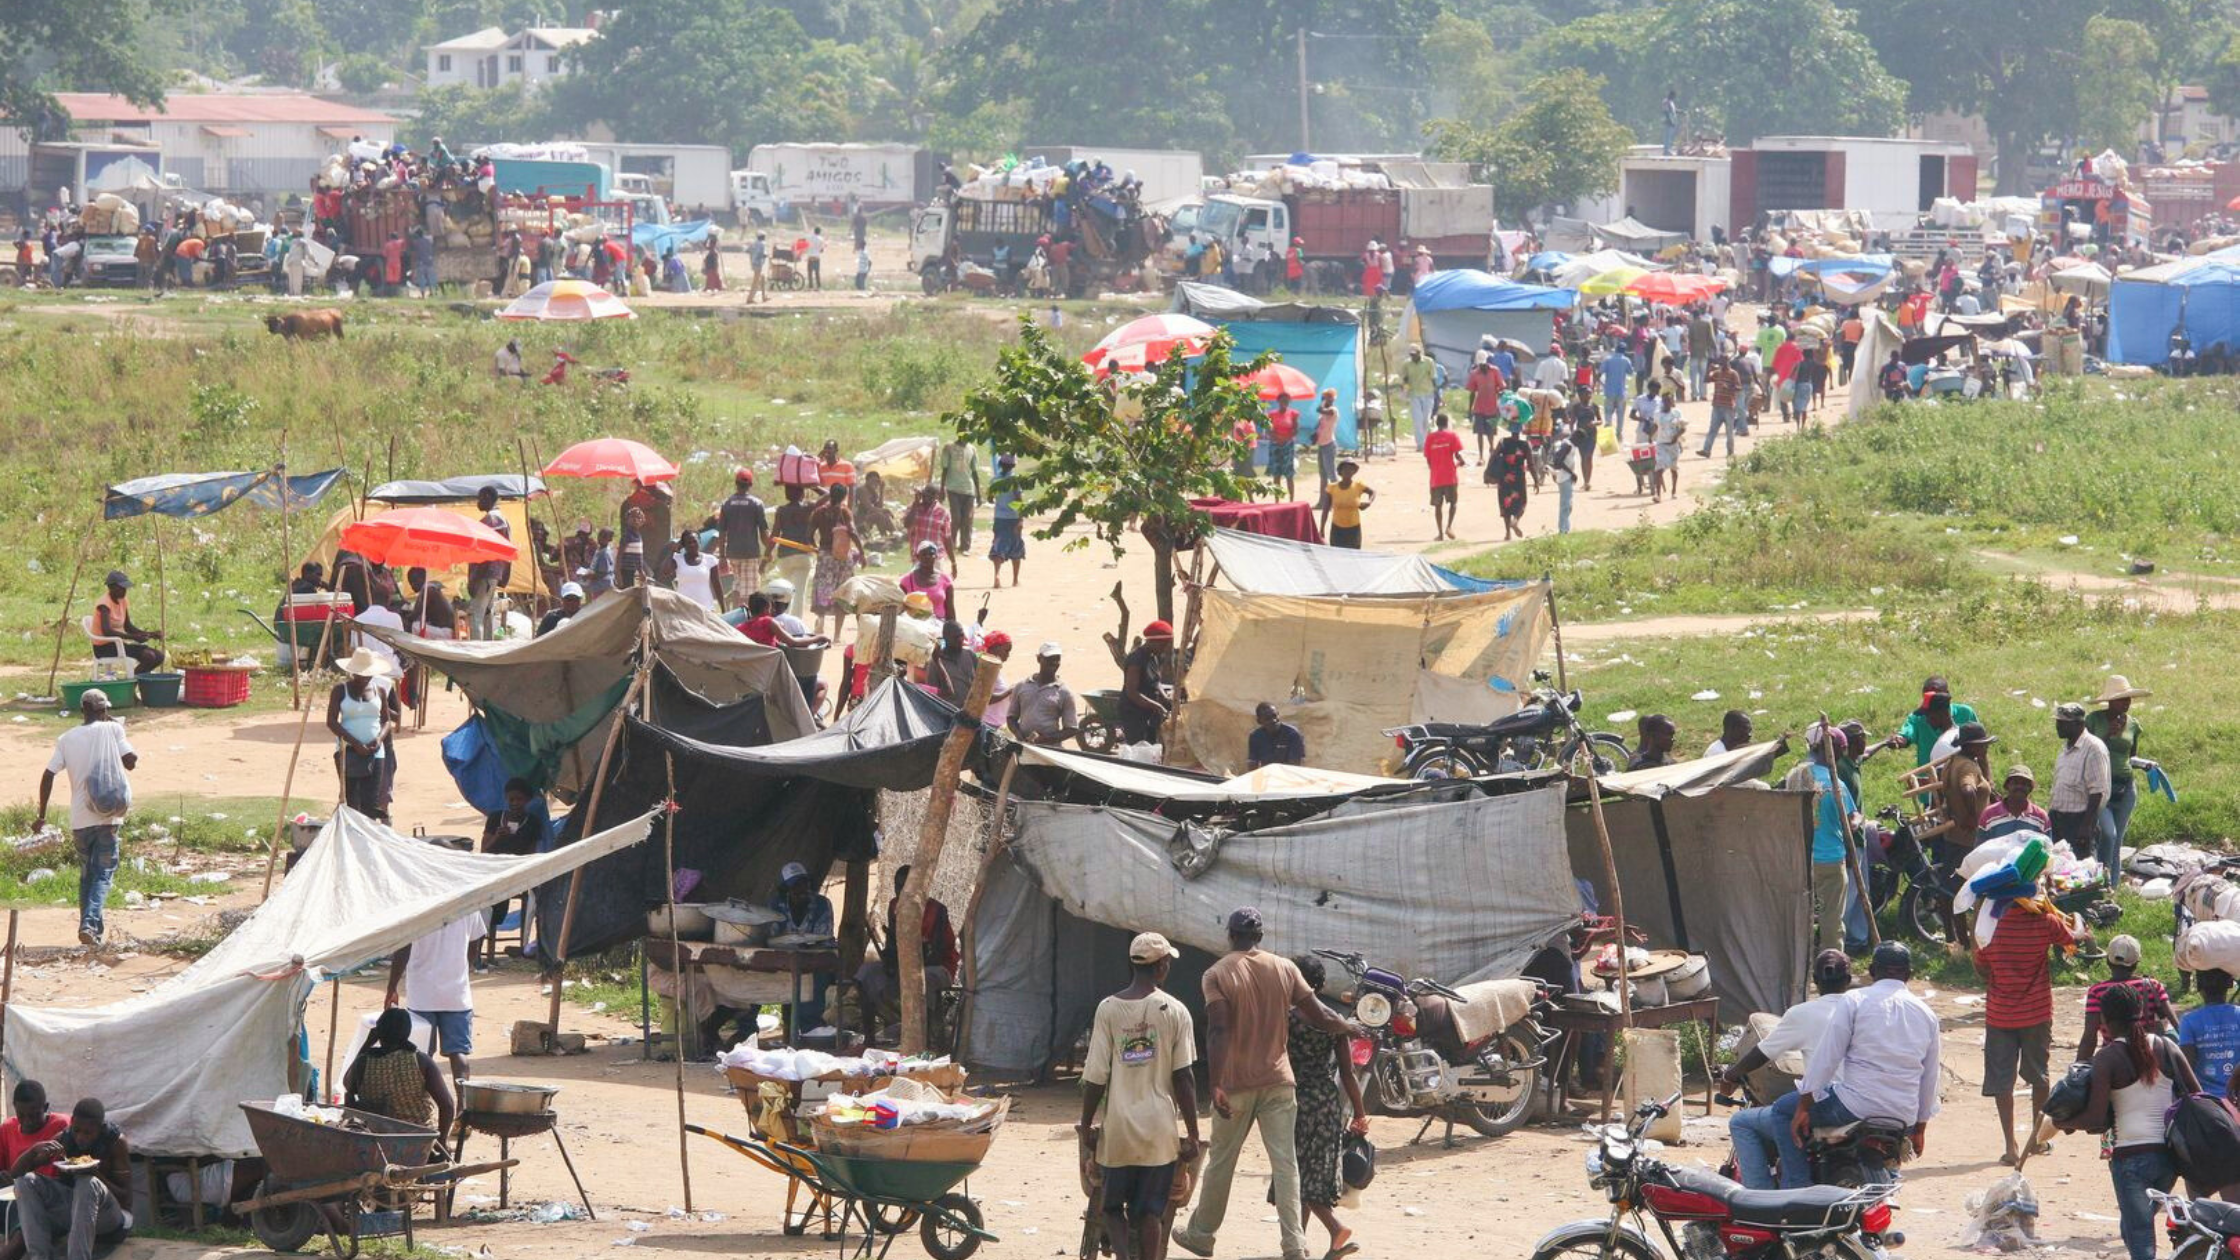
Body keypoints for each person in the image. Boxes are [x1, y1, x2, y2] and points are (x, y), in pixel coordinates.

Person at [1171, 908, 1357, 1260]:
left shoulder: (1217, 974)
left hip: (1236, 1084)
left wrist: (1216, 1083)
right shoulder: (1286, 968)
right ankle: (1295, 1245)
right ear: (1260, 936)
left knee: (1222, 1162)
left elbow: (1218, 1028)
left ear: (1230, 935)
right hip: (1279, 1082)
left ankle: (1201, 1235)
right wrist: (1349, 1027)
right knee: (1286, 1164)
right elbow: (1319, 1015)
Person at [1756, 943, 1940, 1190]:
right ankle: (1889, 1178)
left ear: (1872, 971)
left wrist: (1804, 1104)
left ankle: (1796, 1186)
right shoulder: (1927, 1014)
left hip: (1854, 1106)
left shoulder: (1855, 1000)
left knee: (1781, 1111)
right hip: (1903, 1116)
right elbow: (1930, 1077)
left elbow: (1828, 1056)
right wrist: (1920, 1128)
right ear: (1909, 974)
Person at [1082, 933, 1202, 1260]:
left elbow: (1095, 1077)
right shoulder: (1176, 1011)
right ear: (1162, 965)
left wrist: (1086, 1126)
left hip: (1119, 1128)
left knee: (1111, 1207)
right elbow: (1184, 1078)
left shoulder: (1108, 1009)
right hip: (1159, 1129)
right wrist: (1192, 1133)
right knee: (1150, 1212)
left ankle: (1122, 1256)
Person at [2060, 983, 2199, 1260]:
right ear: (2140, 1011)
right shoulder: (2166, 1046)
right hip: (2169, 1159)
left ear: (2104, 1021)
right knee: (2133, 1225)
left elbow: (2096, 1119)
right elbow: (2195, 1096)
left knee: (2140, 1239)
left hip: (2131, 1160)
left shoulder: (2108, 1058)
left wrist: (2065, 1122)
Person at [1726, 950, 1855, 1187]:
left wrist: (1731, 1074)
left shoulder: (1803, 1013)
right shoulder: (1863, 1009)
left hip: (1833, 1102)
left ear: (1815, 980)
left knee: (1743, 1121)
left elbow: (1762, 1053)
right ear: (1848, 980)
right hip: (1867, 1098)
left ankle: (1767, 1198)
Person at [1976, 889, 2080, 1165]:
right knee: (2039, 1076)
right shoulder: (2046, 921)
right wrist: (2076, 920)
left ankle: (2010, 1146)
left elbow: (1982, 966)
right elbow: (2073, 941)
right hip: (2037, 1012)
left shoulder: (1990, 925)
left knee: (2002, 1081)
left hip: (1999, 1015)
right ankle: (2036, 1140)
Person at [35, 691, 136, 948]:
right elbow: (131, 762)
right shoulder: (113, 730)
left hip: (80, 820)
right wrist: (113, 724)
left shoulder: (66, 739)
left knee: (87, 876)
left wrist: (42, 816)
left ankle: (92, 935)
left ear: (83, 709)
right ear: (103, 709)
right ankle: (89, 924)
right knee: (103, 874)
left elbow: (48, 775)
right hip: (107, 817)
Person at [1285, 954, 1369, 1260]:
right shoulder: (1334, 1022)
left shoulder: (1288, 1019)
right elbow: (1347, 1073)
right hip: (1327, 1103)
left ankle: (1336, 1229)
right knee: (1312, 1175)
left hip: (1296, 1102)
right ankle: (1299, 1247)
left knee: (1296, 1176)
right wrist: (1360, 1113)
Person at [13, 1098, 130, 1260]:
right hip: (76, 1214)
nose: (81, 1137)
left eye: (88, 1133)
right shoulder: (64, 1139)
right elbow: (15, 1173)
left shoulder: (115, 1142)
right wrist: (33, 1151)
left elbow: (125, 1197)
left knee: (86, 1183)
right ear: (72, 1122)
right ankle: (40, 1256)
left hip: (109, 1218)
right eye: (77, 1130)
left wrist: (95, 1174)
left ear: (100, 1127)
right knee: (25, 1181)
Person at [858, 864, 960, 1042]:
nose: (899, 891)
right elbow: (891, 947)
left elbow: (936, 955)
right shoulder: (894, 906)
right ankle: (869, 1038)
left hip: (938, 968)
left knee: (922, 978)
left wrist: (908, 961)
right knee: (865, 974)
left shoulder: (937, 910)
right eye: (897, 886)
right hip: (904, 967)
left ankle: (925, 1039)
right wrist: (890, 958)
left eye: (904, 887)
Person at [386, 909, 485, 1089]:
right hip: (457, 994)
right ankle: (462, 1106)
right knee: (459, 1053)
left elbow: (403, 950)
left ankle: (420, 1102)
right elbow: (475, 942)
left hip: (422, 994)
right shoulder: (469, 905)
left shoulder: (420, 907)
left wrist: (392, 986)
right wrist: (464, 968)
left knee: (422, 1053)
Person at [345, 1007, 457, 1153]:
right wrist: (441, 1142)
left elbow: (347, 1085)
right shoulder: (421, 1061)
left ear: (378, 1032)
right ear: (407, 1032)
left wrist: (367, 1044)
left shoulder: (364, 1061)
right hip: (417, 1139)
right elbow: (447, 1105)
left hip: (375, 1138)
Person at [1801, 732, 1859, 955]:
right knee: (1831, 917)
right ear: (1833, 751)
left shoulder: (1797, 777)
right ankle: (1833, 962)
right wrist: (1858, 820)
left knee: (1801, 913)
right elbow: (1851, 821)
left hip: (1802, 859)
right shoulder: (1835, 785)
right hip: (1830, 859)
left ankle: (1800, 963)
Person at [2088, 676, 2150, 883]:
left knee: (2116, 841)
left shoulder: (2133, 724)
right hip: (2101, 787)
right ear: (2110, 701)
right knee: (2108, 834)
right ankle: (2100, 881)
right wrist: (2109, 734)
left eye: (2128, 699)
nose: (2126, 703)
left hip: (2125, 787)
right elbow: (2088, 751)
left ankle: (2111, 888)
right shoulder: (2094, 720)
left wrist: (2146, 765)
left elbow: (2130, 755)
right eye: (2121, 699)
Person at [2080, 935, 2176, 1063]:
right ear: (2136, 963)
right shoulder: (2152, 986)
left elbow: (2089, 1037)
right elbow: (2174, 1023)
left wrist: (2078, 1069)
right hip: (2148, 1059)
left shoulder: (2096, 991)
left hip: (2113, 1060)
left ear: (2108, 961)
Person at [326, 649, 395, 821]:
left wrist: (379, 739)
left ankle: (367, 839)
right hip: (348, 751)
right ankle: (352, 836)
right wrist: (355, 744)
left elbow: (387, 721)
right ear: (352, 672)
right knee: (352, 799)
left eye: (368, 674)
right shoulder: (340, 691)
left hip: (375, 751)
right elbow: (332, 722)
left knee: (370, 802)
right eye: (361, 674)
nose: (365, 678)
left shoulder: (379, 691)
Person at [2050, 702, 2111, 864]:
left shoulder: (2093, 748)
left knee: (2083, 870)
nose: (2058, 726)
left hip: (2079, 820)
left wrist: (2086, 826)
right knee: (2061, 870)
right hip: (2058, 819)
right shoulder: (2066, 748)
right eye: (2058, 722)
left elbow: (2098, 791)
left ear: (2079, 724)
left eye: (2062, 723)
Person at [2182, 968, 2240, 1099]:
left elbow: (2187, 1066)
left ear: (2198, 987)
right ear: (2230, 984)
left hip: (2207, 1101)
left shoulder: (2189, 1020)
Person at [90, 571, 162, 675]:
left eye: (125, 588)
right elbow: (107, 631)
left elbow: (128, 626)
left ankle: (139, 682)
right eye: (121, 588)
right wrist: (133, 637)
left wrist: (149, 634)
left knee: (159, 656)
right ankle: (132, 683)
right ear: (111, 588)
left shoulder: (122, 600)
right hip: (104, 648)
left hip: (116, 644)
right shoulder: (104, 605)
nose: (124, 591)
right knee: (149, 656)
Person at [1009, 644, 1081, 747]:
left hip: (1050, 753)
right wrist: (1019, 735)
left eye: (1057, 659)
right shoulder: (1021, 686)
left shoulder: (1064, 692)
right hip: (1023, 748)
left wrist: (1047, 739)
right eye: (1049, 659)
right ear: (1039, 659)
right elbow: (1011, 718)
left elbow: (1071, 729)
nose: (1054, 663)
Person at [465, 486, 511, 640]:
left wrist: (474, 578)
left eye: (480, 498)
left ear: (487, 497)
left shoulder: (491, 520)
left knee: (475, 615)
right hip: (494, 574)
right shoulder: (502, 519)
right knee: (487, 613)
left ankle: (477, 653)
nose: (478, 502)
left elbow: (484, 552)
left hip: (485, 573)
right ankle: (489, 649)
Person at [1119, 622, 1174, 747]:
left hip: (1148, 712)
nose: (1165, 648)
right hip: (1134, 713)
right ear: (1154, 642)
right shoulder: (1136, 660)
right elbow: (1132, 692)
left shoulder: (1153, 657)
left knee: (1151, 745)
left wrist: (1164, 696)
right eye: (1163, 644)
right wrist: (1157, 706)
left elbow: (1155, 681)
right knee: (1139, 748)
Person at [717, 469, 768, 602]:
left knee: (738, 584)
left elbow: (722, 533)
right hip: (750, 554)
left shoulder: (727, 504)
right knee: (750, 590)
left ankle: (735, 613)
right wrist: (769, 550)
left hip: (733, 553)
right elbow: (763, 531)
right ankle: (745, 617)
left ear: (736, 483)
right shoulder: (757, 504)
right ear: (750, 485)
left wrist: (722, 556)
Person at [768, 485, 816, 597]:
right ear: (802, 493)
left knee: (786, 593)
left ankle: (785, 614)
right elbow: (829, 495)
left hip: (785, 555)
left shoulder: (781, 510)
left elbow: (775, 534)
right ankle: (796, 615)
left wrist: (766, 556)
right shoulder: (808, 508)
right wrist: (813, 486)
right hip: (803, 555)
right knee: (799, 593)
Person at [1423, 411, 1464, 540]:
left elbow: (1428, 458)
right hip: (1450, 476)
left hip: (1436, 478)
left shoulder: (1430, 438)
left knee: (1437, 505)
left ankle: (1440, 533)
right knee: (1453, 503)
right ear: (1447, 423)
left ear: (1436, 423)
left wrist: (1433, 468)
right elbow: (1457, 455)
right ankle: (1449, 526)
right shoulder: (1452, 436)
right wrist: (1461, 461)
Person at [938, 437, 982, 555]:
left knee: (967, 519)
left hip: (969, 489)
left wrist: (978, 493)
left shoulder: (972, 449)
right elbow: (945, 470)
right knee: (956, 518)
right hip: (953, 488)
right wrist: (942, 489)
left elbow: (974, 472)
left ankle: (965, 547)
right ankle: (951, 544)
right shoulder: (949, 447)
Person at [1318, 460, 1372, 549]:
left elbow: (1373, 492)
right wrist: (1322, 528)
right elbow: (1325, 510)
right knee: (1337, 556)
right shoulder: (1332, 488)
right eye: (1345, 469)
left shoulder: (1358, 486)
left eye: (1351, 469)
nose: (1348, 471)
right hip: (1337, 529)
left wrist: (1369, 502)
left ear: (1354, 472)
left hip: (1354, 528)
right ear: (1340, 472)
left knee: (1354, 556)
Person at [905, 487, 955, 581]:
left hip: (936, 557)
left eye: (931, 494)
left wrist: (953, 563)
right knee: (918, 585)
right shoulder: (914, 508)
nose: (927, 497)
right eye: (925, 494)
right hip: (918, 556)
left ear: (937, 496)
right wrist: (915, 504)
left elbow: (947, 538)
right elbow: (907, 524)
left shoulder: (943, 512)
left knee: (934, 585)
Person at [1490, 423, 1531, 540]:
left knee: (1505, 504)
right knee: (1522, 502)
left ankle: (1507, 533)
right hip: (1519, 478)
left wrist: (1488, 472)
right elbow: (1531, 464)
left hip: (1504, 478)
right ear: (1520, 431)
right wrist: (1536, 480)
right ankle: (1516, 520)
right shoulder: (1524, 444)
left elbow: (1493, 456)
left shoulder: (1503, 442)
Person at [1466, 353, 1507, 465]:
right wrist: (1470, 410)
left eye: (1484, 365)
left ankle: (1492, 449)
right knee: (1479, 432)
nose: (1483, 367)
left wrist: (1501, 400)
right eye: (1481, 365)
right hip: (1479, 407)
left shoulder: (1495, 371)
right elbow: (1472, 392)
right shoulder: (1474, 374)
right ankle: (1480, 456)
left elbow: (1502, 387)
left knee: (1490, 432)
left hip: (1492, 407)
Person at [924, 621, 976, 706]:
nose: (960, 639)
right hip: (949, 712)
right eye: (956, 637)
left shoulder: (970, 655)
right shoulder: (935, 663)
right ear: (945, 638)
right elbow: (933, 693)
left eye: (961, 635)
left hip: (971, 711)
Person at [1700, 355, 1743, 458]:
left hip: (1728, 406)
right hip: (1717, 406)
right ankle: (1706, 450)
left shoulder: (1733, 374)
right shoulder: (1717, 373)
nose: (1721, 364)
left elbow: (1739, 388)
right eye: (1720, 362)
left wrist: (1729, 387)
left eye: (1723, 361)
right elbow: (1706, 380)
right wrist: (1708, 369)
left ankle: (1730, 452)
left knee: (1729, 432)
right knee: (1712, 430)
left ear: (1728, 362)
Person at [1245, 702, 1306, 771]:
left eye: (1274, 716)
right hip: (1266, 776)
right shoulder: (1255, 737)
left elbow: (1295, 765)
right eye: (1267, 719)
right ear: (1259, 721)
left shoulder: (1292, 734)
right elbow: (1253, 764)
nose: (1273, 720)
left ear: (1278, 715)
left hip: (1289, 776)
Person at [1401, 346, 1439, 450]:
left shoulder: (1428, 362)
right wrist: (1404, 391)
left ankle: (1427, 440)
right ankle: (1420, 444)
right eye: (1411, 355)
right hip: (1414, 394)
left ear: (1419, 353)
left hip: (1428, 393)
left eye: (1415, 354)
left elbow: (1433, 378)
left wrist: (1437, 394)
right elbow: (1405, 380)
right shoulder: (1407, 364)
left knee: (1426, 420)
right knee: (1417, 420)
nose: (1413, 357)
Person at [1266, 394, 1301, 500]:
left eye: (1287, 401)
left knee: (1289, 474)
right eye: (1282, 400)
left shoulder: (1293, 414)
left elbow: (1296, 429)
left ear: (1289, 402)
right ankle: (1277, 499)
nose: (1284, 402)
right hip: (1275, 445)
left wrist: (1286, 439)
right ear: (1278, 401)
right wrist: (1277, 438)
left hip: (1288, 446)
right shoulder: (1271, 414)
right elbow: (1268, 430)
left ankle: (1291, 499)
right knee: (1276, 474)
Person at [1310, 391, 1340, 487]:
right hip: (1322, 445)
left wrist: (1324, 402)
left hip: (1329, 444)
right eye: (1323, 398)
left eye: (1327, 398)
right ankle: (1323, 500)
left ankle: (1336, 498)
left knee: (1331, 473)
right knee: (1323, 475)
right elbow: (1319, 428)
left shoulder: (1333, 410)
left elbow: (1319, 409)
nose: (1325, 400)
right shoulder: (1322, 415)